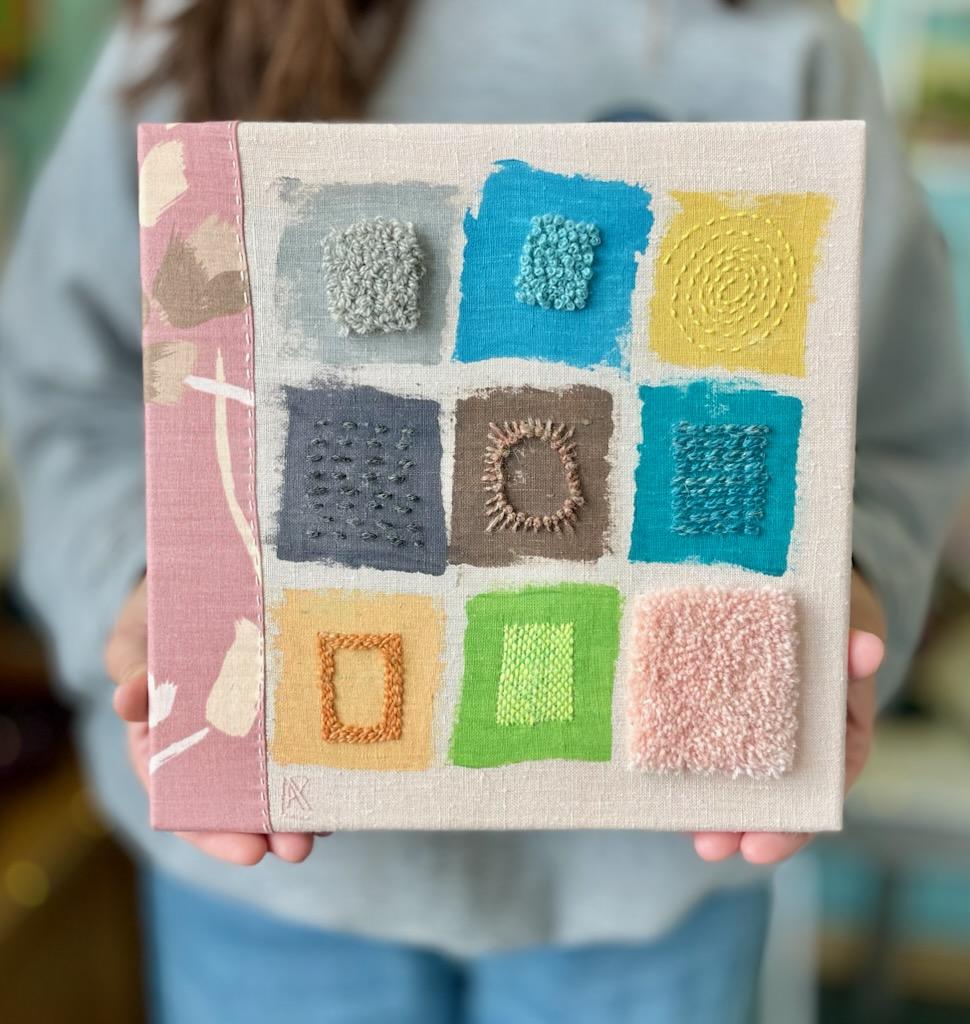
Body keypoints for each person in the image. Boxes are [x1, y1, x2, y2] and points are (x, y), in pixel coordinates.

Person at [1, 1, 966, 1021]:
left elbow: (897, 427)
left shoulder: (783, 40)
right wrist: (145, 580)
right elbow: (65, 389)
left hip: (649, 889)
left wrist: (847, 577)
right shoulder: (195, 21)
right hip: (269, 877)